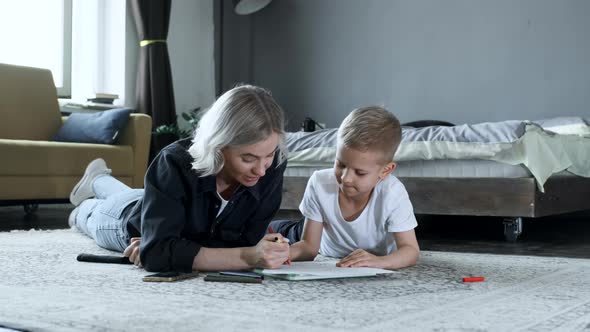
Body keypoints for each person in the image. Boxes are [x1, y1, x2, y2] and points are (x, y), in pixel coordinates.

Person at [69, 85, 291, 272]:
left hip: (152, 203)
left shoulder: (274, 166)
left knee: (136, 195)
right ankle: (85, 201)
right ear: (219, 145)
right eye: (248, 158)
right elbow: (158, 254)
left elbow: (246, 240)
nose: (261, 171)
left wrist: (176, 249)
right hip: (127, 221)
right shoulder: (174, 162)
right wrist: (246, 257)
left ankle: (98, 179)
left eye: (269, 155)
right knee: (92, 212)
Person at [270, 106, 420, 270]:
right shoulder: (319, 183)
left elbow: (410, 250)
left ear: (385, 171)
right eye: (340, 164)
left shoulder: (392, 193)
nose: (345, 179)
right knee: (263, 235)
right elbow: (309, 248)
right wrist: (284, 254)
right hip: (300, 233)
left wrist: (380, 262)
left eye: (360, 173)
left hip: (331, 237)